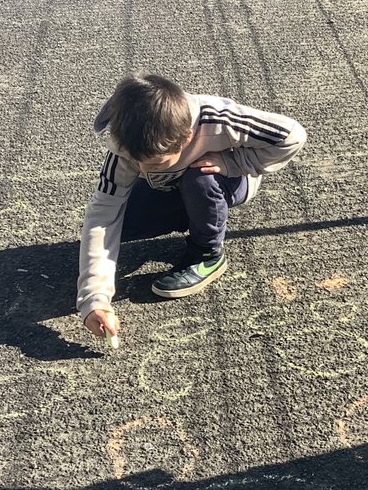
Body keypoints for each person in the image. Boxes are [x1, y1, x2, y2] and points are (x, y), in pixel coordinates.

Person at [76, 73, 306, 341]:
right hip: (170, 185)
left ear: (186, 137)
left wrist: (234, 163)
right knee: (120, 224)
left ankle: (207, 253)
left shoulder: (219, 119)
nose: (142, 170)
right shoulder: (125, 142)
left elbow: (292, 135)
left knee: (199, 178)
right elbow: (104, 212)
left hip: (225, 180)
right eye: (137, 162)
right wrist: (95, 298)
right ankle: (195, 213)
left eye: (155, 163)